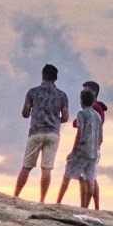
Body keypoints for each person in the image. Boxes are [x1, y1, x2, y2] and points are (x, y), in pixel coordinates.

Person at [13, 64, 69, 203]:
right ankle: (42, 200)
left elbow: (25, 113)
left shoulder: (33, 92)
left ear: (42, 75)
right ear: (55, 78)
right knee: (47, 167)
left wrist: (34, 113)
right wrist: (56, 120)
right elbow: (66, 117)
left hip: (36, 132)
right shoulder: (62, 95)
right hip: (53, 133)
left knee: (26, 166)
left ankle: (16, 196)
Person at [57, 86, 101, 208]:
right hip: (93, 151)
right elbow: (99, 134)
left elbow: (79, 132)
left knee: (68, 173)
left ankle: (58, 201)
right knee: (90, 178)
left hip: (82, 149)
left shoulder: (81, 113)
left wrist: (73, 151)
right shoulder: (97, 116)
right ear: (93, 101)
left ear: (81, 101)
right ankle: (86, 206)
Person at [80, 80, 106, 209]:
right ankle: (95, 207)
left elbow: (77, 123)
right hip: (95, 146)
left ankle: (84, 206)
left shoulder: (94, 108)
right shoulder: (99, 108)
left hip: (89, 147)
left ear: (93, 92)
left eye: (86, 90)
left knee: (85, 178)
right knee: (92, 177)